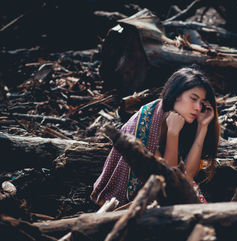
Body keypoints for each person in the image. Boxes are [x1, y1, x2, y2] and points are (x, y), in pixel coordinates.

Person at [91, 66, 220, 206]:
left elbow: (188, 176)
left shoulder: (187, 121)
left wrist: (202, 127)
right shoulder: (146, 122)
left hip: (169, 193)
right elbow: (168, 181)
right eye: (193, 99)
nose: (198, 107)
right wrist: (172, 133)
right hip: (139, 199)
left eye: (201, 102)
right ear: (176, 94)